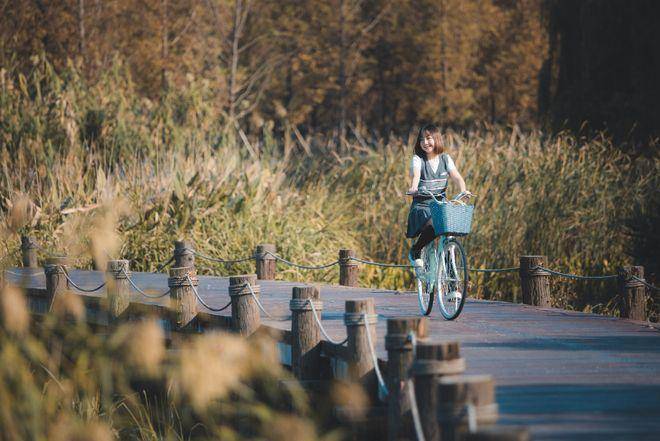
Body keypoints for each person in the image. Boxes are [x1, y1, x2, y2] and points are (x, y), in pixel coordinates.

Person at [406, 124, 470, 270]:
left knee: (448, 230)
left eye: (428, 138)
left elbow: (457, 177)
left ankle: (450, 273)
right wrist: (414, 188)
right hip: (422, 206)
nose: (425, 142)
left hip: (440, 204)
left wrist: (463, 190)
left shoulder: (445, 159)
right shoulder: (418, 159)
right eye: (421, 139)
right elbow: (416, 175)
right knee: (435, 223)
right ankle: (416, 250)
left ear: (436, 139)